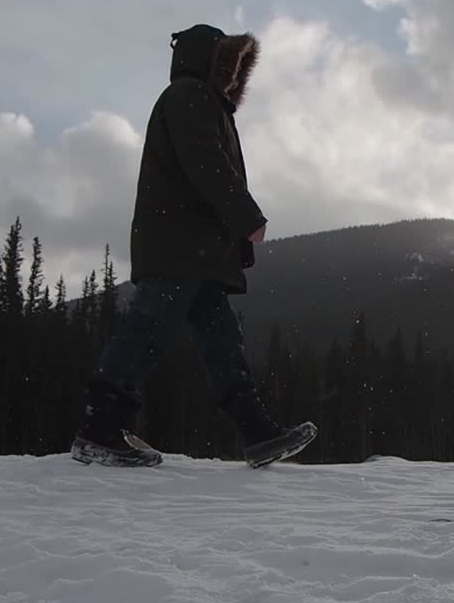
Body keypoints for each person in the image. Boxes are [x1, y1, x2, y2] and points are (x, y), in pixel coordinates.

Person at [71, 24, 317, 468]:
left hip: (198, 252)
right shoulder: (188, 96)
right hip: (178, 248)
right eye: (230, 64)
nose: (235, 74)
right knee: (147, 331)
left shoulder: (206, 103)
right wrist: (246, 217)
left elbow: (209, 167)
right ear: (212, 61)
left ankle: (256, 432)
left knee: (222, 343)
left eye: (239, 68)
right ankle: (100, 429)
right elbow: (206, 162)